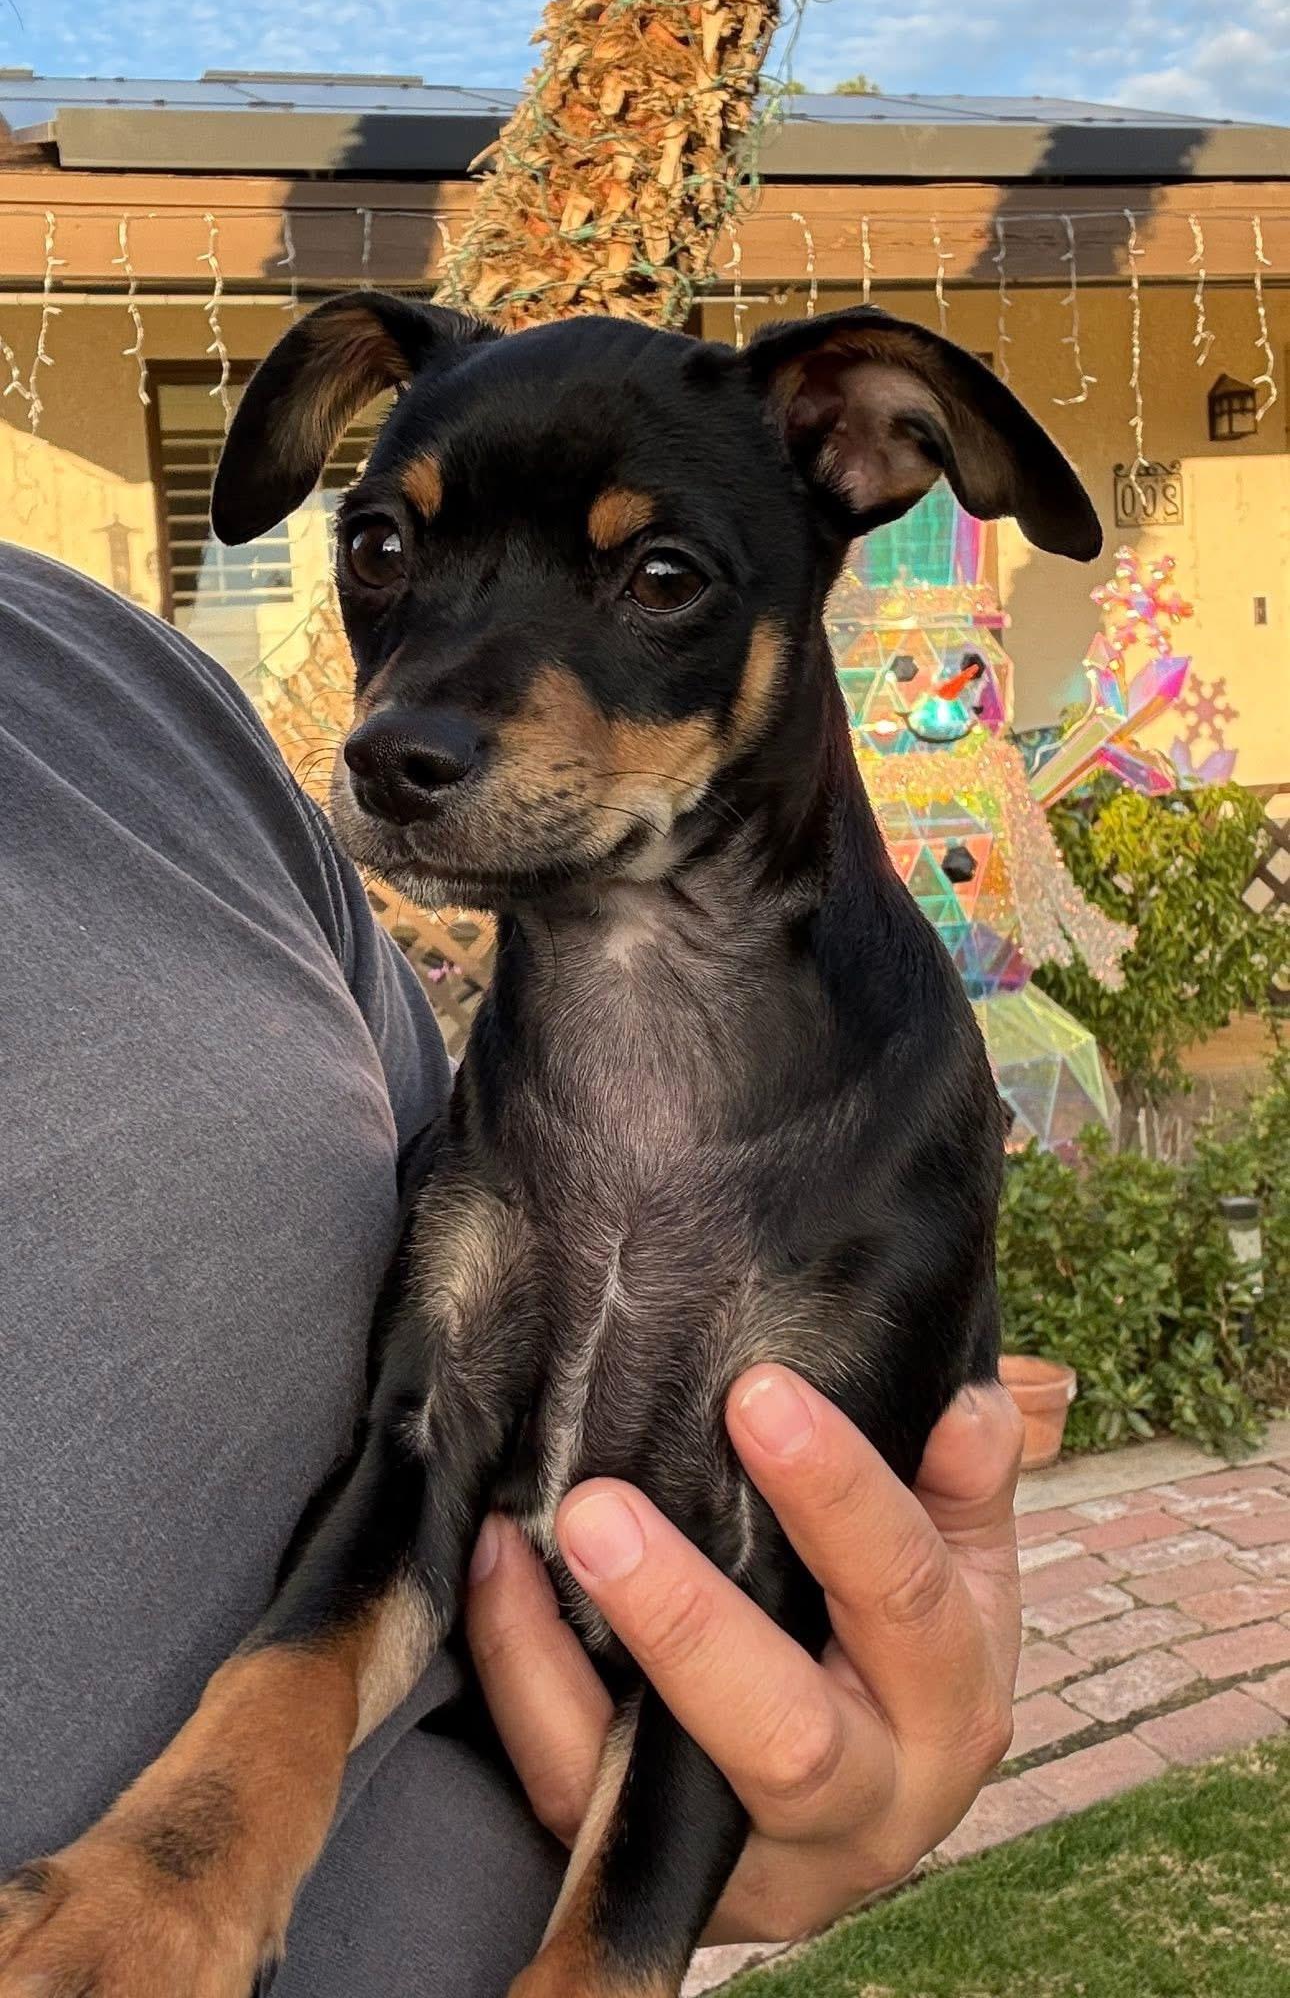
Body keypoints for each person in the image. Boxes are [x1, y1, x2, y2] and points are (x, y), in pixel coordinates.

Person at [0, 541, 1024, 1994]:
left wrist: (773, 1794)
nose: (426, 706)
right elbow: (416, 1449)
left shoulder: (135, 705)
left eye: (660, 575)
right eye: (388, 556)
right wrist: (189, 1857)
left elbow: (748, 1609)